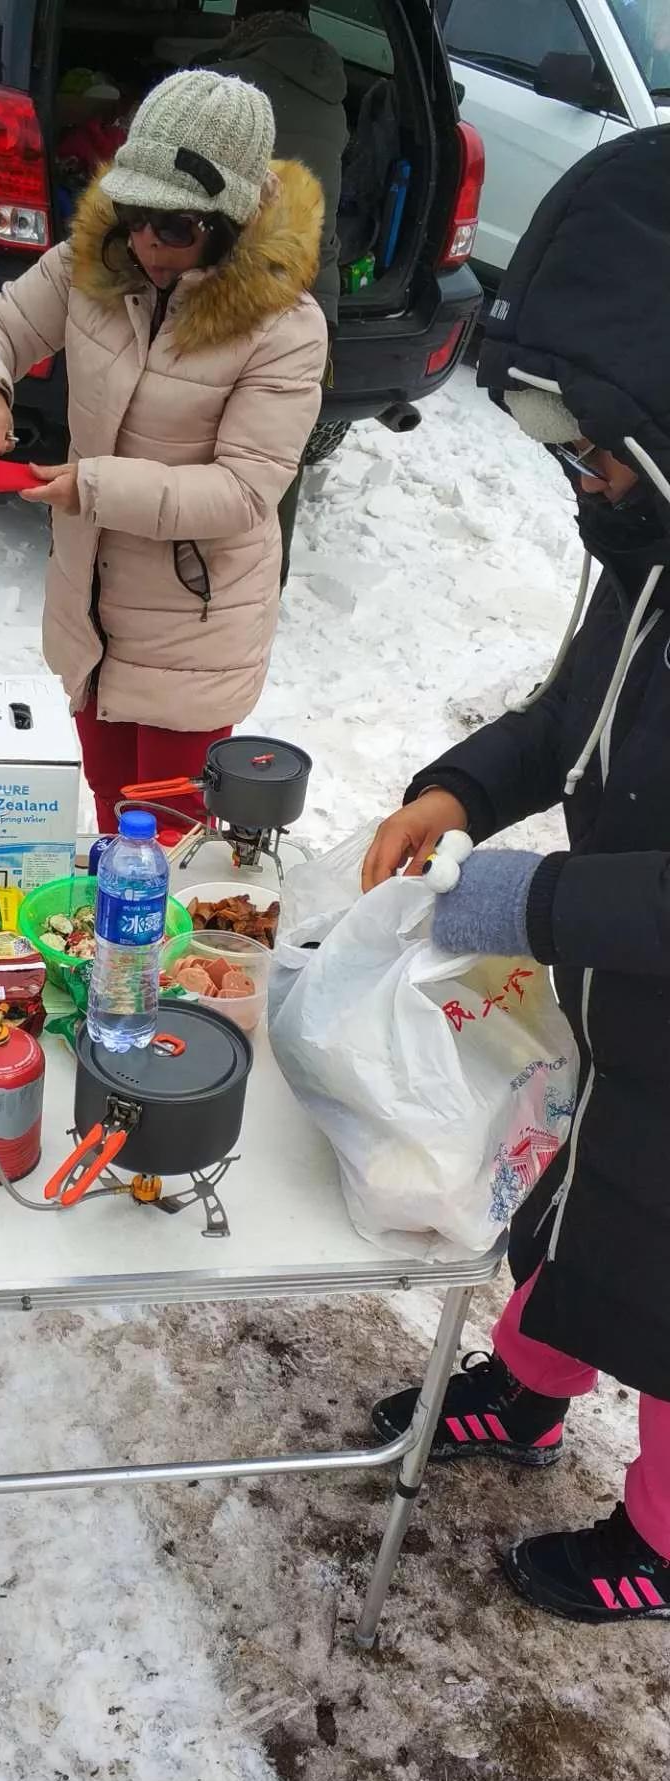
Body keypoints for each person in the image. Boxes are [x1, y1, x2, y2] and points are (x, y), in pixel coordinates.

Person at [361, 127, 670, 1624]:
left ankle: (662, 1542)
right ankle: (531, 1393)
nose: (579, 477)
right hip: (634, 1012)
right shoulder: (651, 545)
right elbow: (575, 716)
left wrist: (530, 906)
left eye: (591, 440)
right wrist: (462, 788)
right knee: (583, 1209)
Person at [0, 71, 328, 833]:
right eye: (135, 212)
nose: (147, 240)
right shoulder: (94, 270)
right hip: (93, 614)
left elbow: (243, 492)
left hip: (195, 630)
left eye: (175, 226)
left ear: (231, 221)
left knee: (172, 841)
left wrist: (94, 487)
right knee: (114, 814)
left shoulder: (286, 330)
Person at [211, 0, 348, 590]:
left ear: (247, 17)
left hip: (246, 285)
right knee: (277, 450)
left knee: (212, 436)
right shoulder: (333, 90)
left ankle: (202, 582)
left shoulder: (233, 86)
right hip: (314, 297)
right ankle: (265, 580)